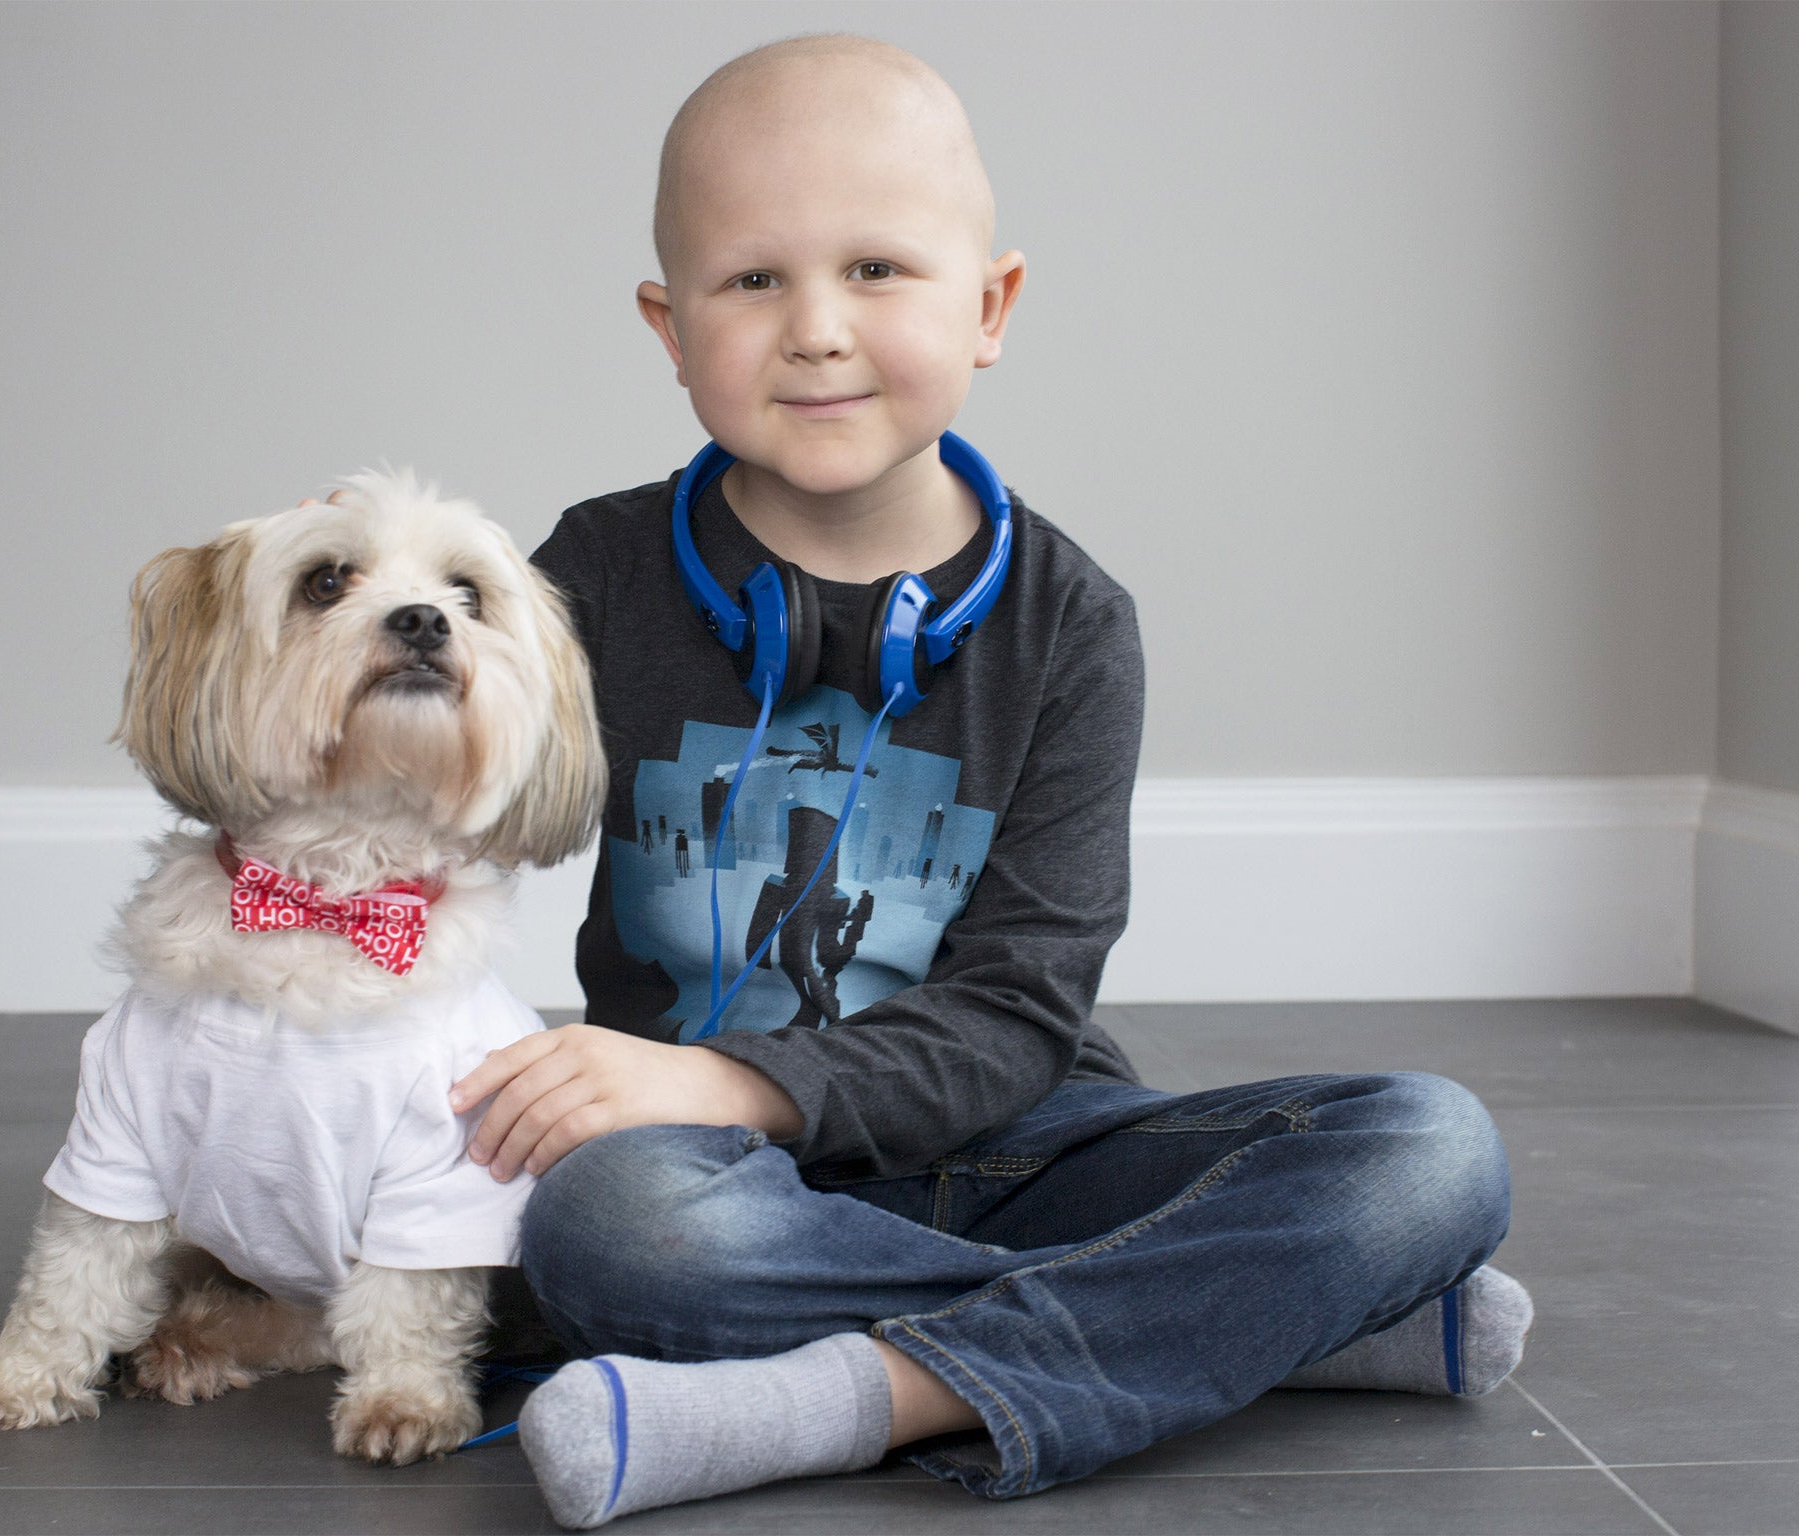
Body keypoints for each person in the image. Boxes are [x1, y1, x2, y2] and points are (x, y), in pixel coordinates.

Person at [445, 34, 1533, 1530]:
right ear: (670, 326)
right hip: (710, 1184)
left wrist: (718, 1072)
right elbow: (432, 801)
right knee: (609, 1233)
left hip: (1019, 1146)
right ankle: (1266, 1325)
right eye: (752, 281)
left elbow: (1022, 1012)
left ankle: (850, 1399)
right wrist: (329, 622)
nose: (817, 330)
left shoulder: (1074, 628)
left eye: (879, 269)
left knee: (1432, 1152)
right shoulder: (598, 575)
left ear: (991, 305)